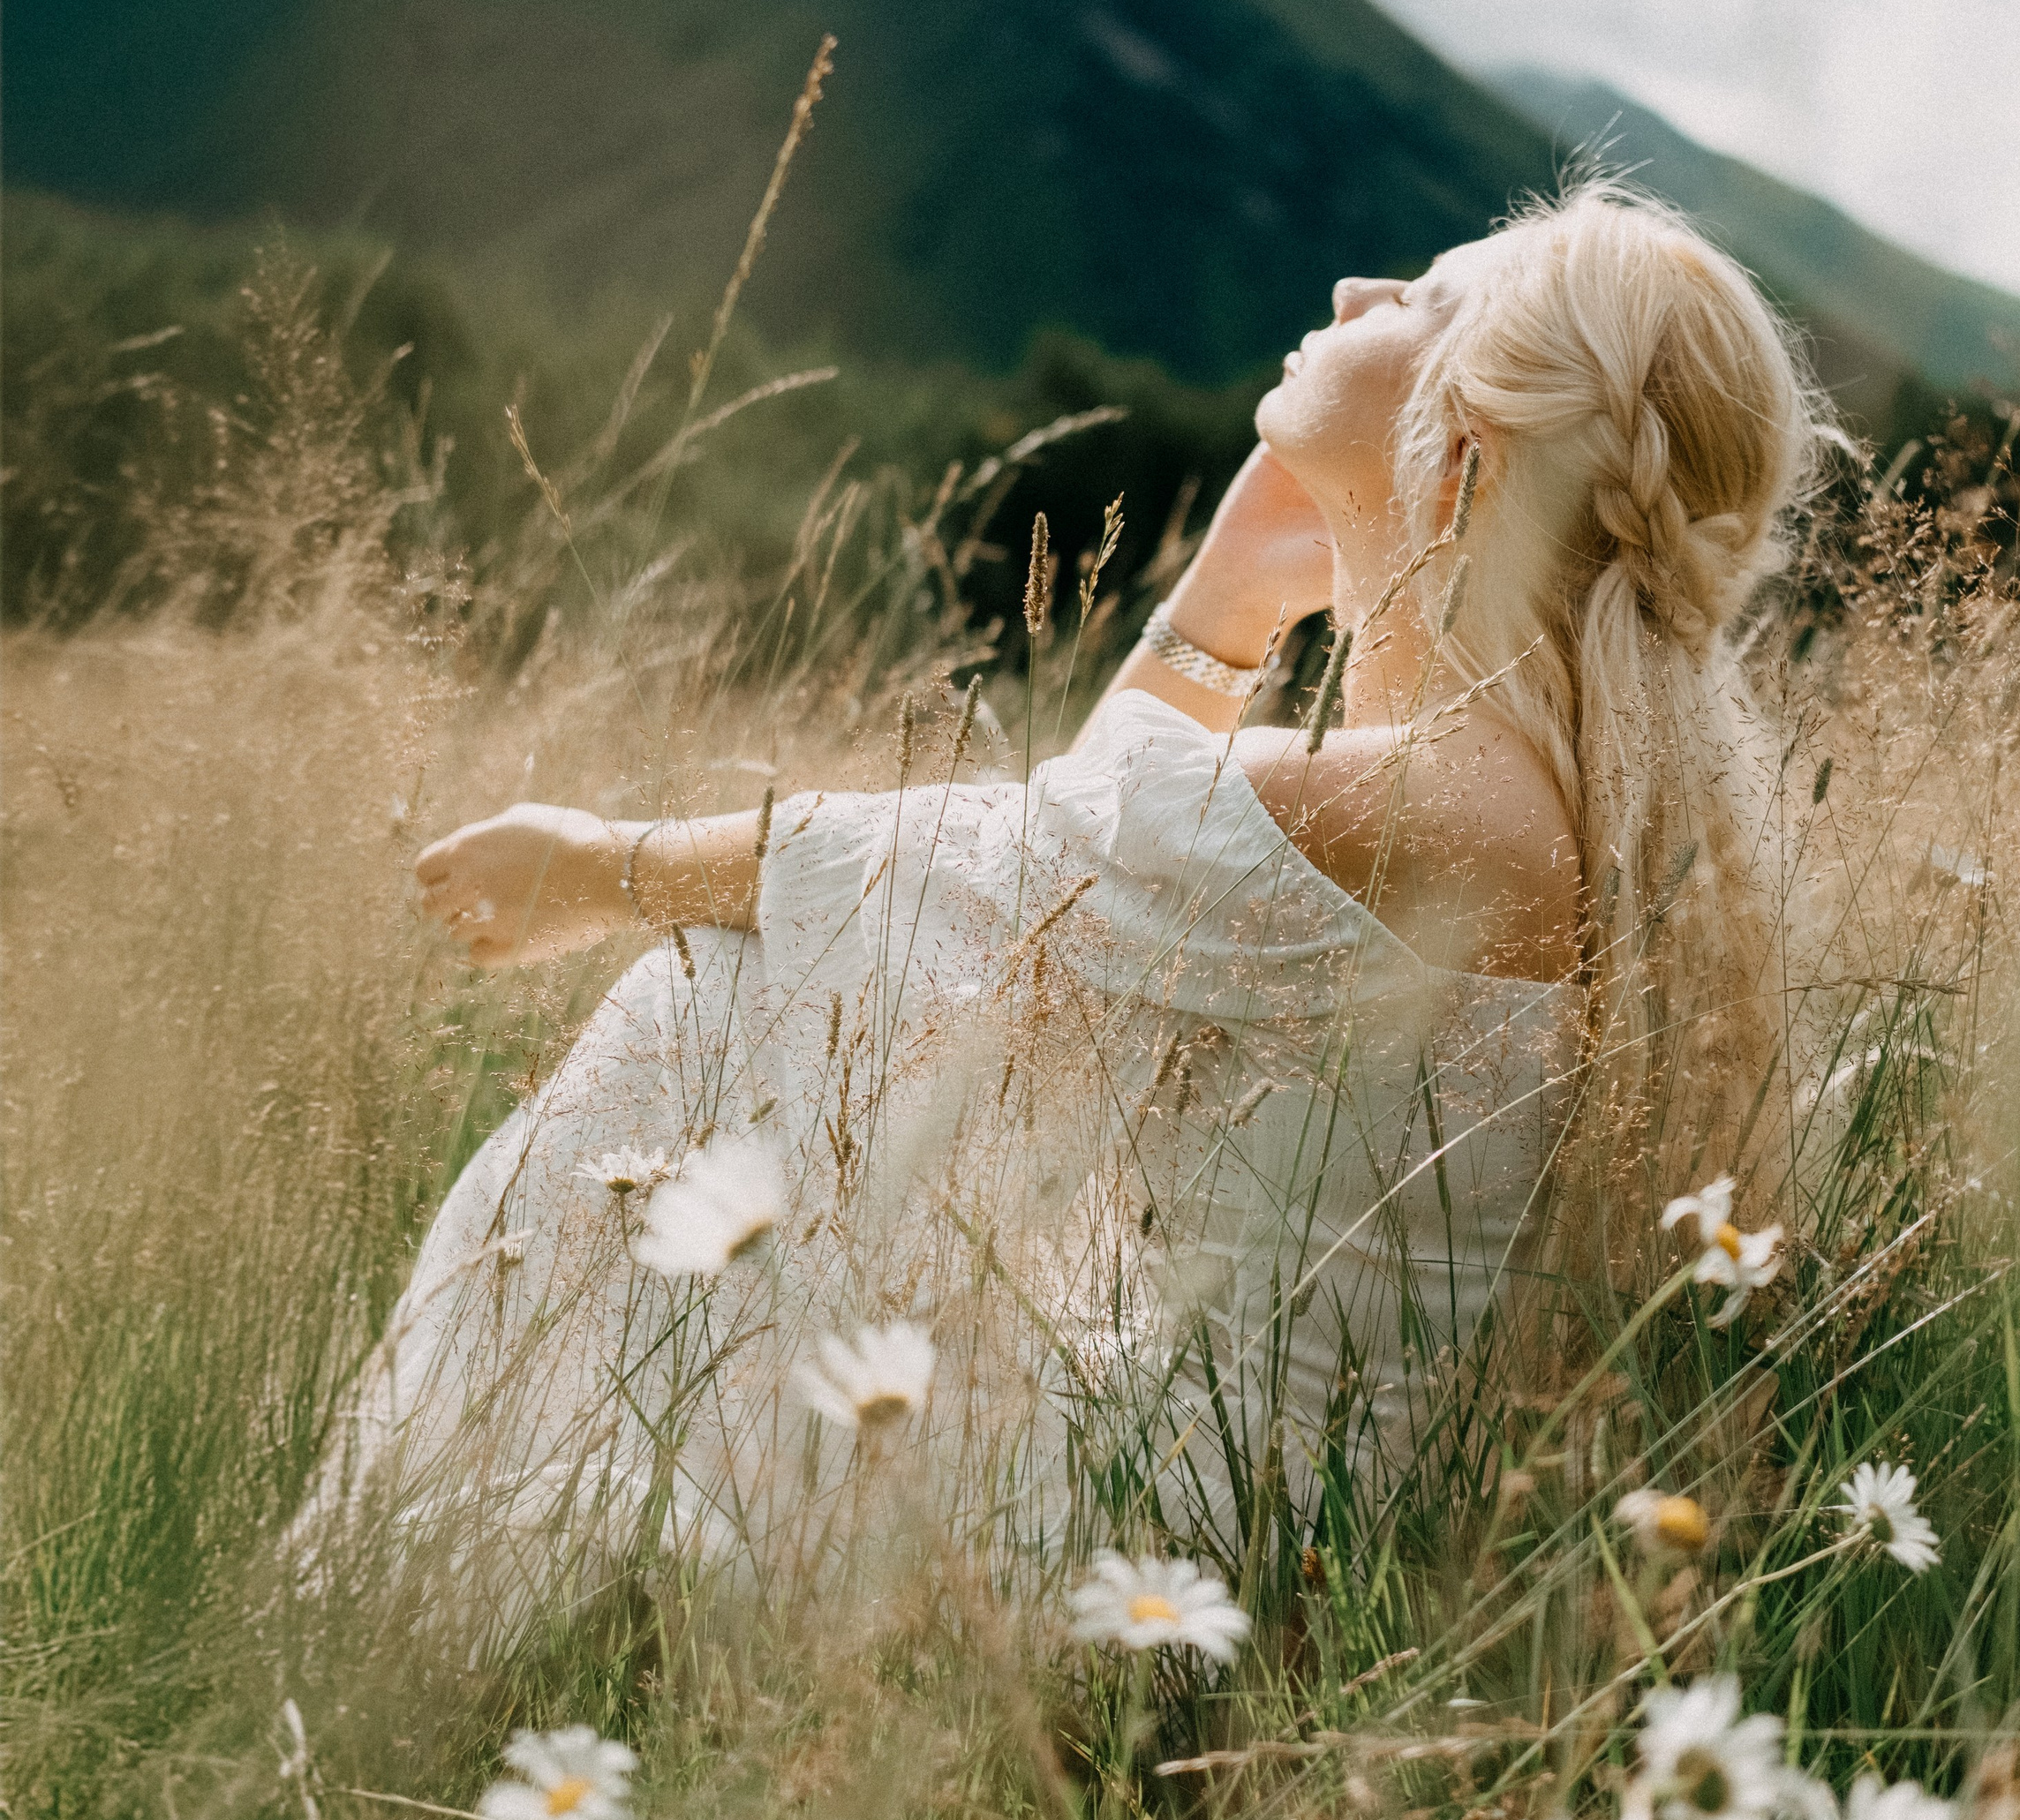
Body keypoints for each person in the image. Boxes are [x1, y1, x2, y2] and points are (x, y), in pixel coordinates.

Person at [342, 186, 1823, 1625]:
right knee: (767, 1042)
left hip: (1195, 1547)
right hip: (1254, 1505)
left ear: (1468, 454)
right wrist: (1237, 590)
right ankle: (494, 1566)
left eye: (1422, 299)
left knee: (700, 995)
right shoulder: (1533, 795)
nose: (1351, 295)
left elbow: (995, 872)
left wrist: (601, 867)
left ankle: (412, 1575)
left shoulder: (1450, 807)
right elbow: (1082, 899)